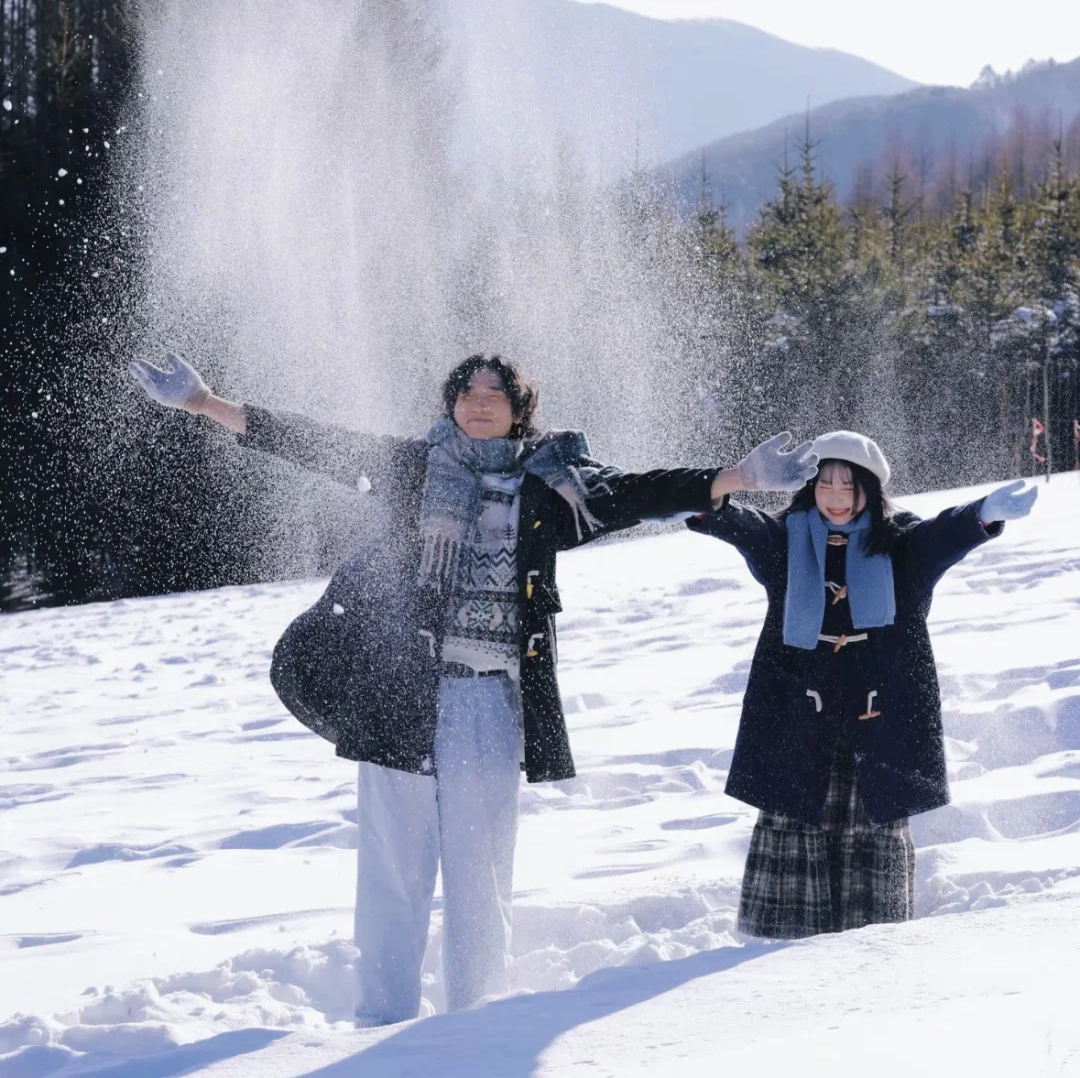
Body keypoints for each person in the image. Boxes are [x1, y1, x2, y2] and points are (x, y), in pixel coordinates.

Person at [127, 351, 819, 1023]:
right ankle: (382, 1016)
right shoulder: (413, 467)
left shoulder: (554, 485)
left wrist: (739, 475)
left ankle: (475, 1021)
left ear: (521, 412)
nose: (479, 403)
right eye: (467, 393)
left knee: (480, 870)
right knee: (393, 870)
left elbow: (639, 492)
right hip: (396, 691)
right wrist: (203, 403)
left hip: (490, 698)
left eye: (495, 394)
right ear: (450, 406)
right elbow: (313, 442)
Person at [688, 429, 1038, 941]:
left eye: (848, 487)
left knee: (872, 863)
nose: (835, 498)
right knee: (794, 835)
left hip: (878, 727)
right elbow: (735, 522)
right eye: (825, 485)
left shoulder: (900, 546)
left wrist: (982, 512)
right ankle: (776, 955)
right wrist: (702, 498)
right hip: (798, 724)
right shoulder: (787, 541)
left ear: (869, 491)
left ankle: (872, 958)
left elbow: (944, 534)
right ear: (810, 489)